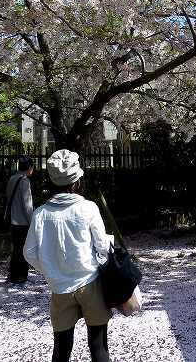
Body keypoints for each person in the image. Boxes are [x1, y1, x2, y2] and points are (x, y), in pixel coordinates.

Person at [24, 149, 114, 362]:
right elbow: (102, 245)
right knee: (98, 345)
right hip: (89, 281)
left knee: (61, 349)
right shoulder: (88, 208)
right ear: (76, 182)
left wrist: (50, 269)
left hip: (60, 288)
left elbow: (28, 252)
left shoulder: (41, 214)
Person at [6, 155, 35, 284]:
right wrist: (32, 221)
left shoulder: (12, 179)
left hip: (12, 219)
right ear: (29, 168)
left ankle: (13, 274)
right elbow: (27, 204)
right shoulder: (24, 181)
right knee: (23, 249)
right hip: (23, 221)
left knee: (16, 249)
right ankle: (21, 276)